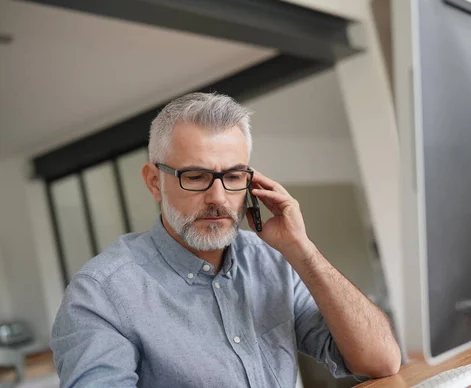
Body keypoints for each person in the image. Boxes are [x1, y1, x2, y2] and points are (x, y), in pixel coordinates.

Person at [50, 93, 401, 387]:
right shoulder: (100, 293)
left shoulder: (271, 259)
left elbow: (381, 361)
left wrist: (303, 251)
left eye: (233, 176)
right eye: (196, 176)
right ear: (155, 182)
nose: (218, 196)